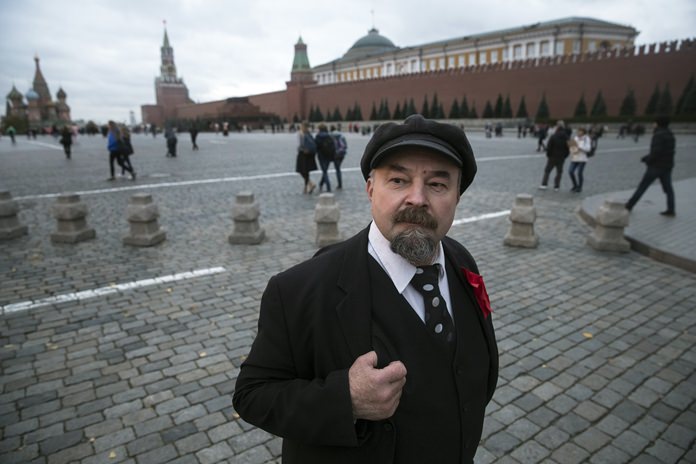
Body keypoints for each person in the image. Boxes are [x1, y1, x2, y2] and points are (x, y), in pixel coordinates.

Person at [234, 114, 499, 464]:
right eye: (398, 180)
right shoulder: (300, 289)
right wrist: (345, 399)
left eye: (437, 184)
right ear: (370, 189)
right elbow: (252, 394)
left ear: (457, 197)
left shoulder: (462, 262)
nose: (417, 198)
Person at [625, 115, 676, 216]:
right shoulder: (670, 134)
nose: (653, 125)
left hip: (656, 166)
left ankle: (629, 205)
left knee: (643, 186)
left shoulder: (658, 135)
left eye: (654, 123)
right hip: (667, 166)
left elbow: (656, 152)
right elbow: (668, 151)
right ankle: (671, 209)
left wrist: (647, 159)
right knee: (668, 189)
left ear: (657, 123)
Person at [539, 120, 569, 191]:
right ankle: (556, 186)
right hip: (561, 157)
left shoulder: (554, 136)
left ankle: (544, 184)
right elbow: (570, 147)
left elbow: (549, 147)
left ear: (557, 127)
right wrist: (565, 155)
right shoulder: (567, 137)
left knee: (547, 171)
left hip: (552, 156)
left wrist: (548, 155)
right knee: (559, 172)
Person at [567, 127, 592, 192]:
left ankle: (580, 187)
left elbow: (588, 149)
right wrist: (571, 148)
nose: (578, 133)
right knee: (570, 171)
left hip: (582, 158)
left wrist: (579, 147)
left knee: (579, 173)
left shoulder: (586, 138)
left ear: (583, 132)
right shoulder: (575, 138)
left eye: (580, 131)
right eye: (578, 131)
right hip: (575, 157)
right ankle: (575, 185)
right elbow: (572, 148)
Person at [295, 121, 317, 194]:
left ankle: (309, 185)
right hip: (309, 154)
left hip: (302, 153)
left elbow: (299, 145)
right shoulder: (308, 133)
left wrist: (299, 149)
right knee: (306, 171)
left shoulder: (300, 133)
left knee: (301, 170)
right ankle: (307, 186)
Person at [315, 124, 336, 193]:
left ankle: (328, 187)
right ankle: (321, 183)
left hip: (321, 156)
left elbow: (316, 146)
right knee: (325, 171)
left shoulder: (318, 136)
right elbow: (333, 146)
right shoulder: (329, 136)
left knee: (324, 171)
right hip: (329, 156)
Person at [331, 125, 348, 189]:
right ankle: (340, 184)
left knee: (337, 169)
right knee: (338, 169)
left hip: (336, 155)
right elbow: (345, 146)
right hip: (342, 154)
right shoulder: (341, 135)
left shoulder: (331, 136)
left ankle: (339, 184)